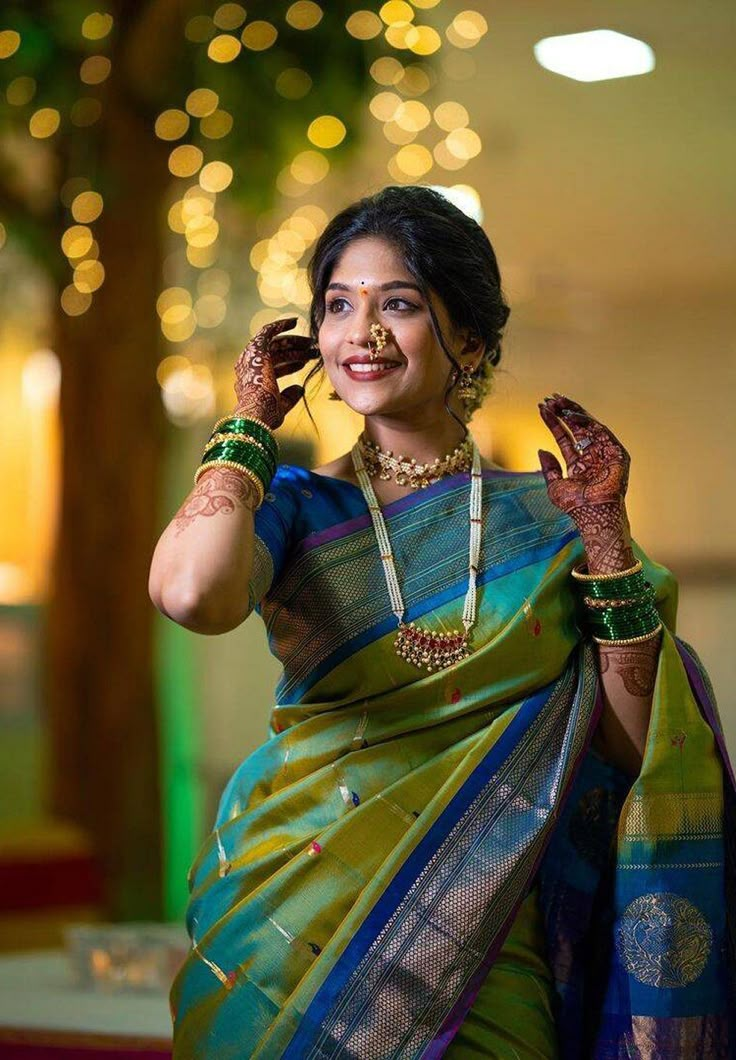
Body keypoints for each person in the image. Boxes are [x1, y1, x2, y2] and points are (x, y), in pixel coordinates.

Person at [149, 185, 735, 1058]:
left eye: (400, 305)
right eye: (339, 306)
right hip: (290, 911)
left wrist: (607, 541)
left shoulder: (554, 514)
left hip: (486, 925)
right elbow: (192, 597)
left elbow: (636, 746)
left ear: (469, 339)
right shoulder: (295, 504)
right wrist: (246, 431)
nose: (364, 333)